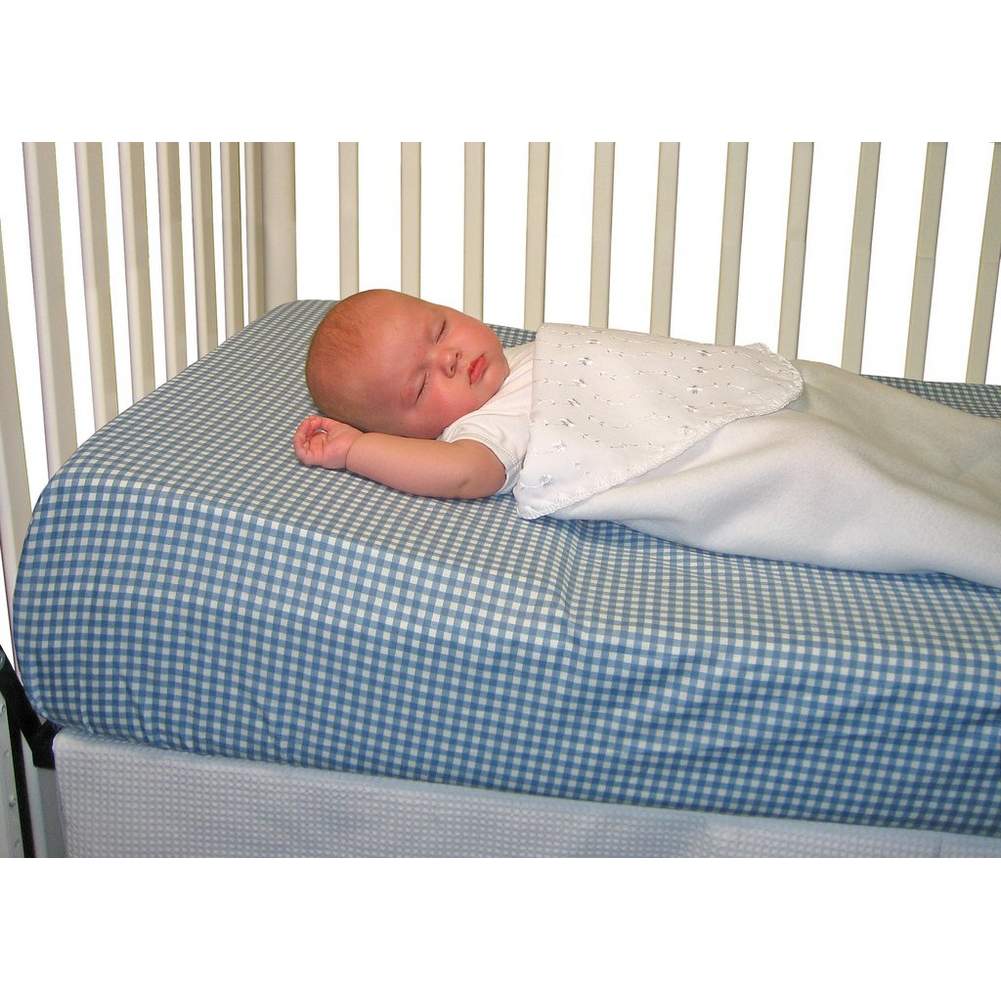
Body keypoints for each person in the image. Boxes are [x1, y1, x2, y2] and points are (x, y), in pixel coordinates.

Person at [294, 289, 534, 498]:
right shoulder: (484, 429)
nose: (448, 358)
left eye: (440, 331)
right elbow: (464, 473)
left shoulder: (516, 355)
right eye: (422, 385)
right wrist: (354, 449)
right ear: (408, 438)